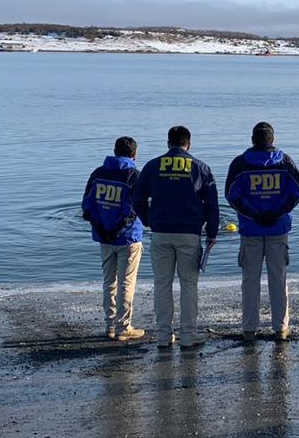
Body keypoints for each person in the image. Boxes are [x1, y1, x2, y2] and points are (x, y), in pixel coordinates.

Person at [132, 126, 219, 350]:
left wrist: (148, 220)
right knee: (189, 285)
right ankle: (188, 336)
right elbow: (211, 205)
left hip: (161, 232)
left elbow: (137, 198)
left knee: (162, 284)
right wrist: (212, 232)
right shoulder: (200, 167)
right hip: (189, 233)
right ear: (188, 144)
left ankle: (163, 336)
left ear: (168, 143)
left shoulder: (153, 166)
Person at [225, 121, 299, 342]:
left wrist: (255, 215)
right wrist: (276, 212)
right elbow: (297, 192)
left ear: (253, 140)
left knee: (250, 280)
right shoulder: (285, 162)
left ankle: (249, 329)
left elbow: (232, 196)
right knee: (278, 279)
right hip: (278, 229)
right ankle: (280, 328)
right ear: (273, 139)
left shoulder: (240, 164)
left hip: (250, 229)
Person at [82, 136, 145, 341]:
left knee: (109, 281)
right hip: (128, 238)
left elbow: (87, 207)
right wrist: (117, 230)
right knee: (126, 283)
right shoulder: (133, 175)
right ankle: (123, 327)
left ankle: (109, 325)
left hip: (104, 237)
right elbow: (136, 209)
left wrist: (103, 228)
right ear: (134, 154)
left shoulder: (98, 174)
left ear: (114, 151)